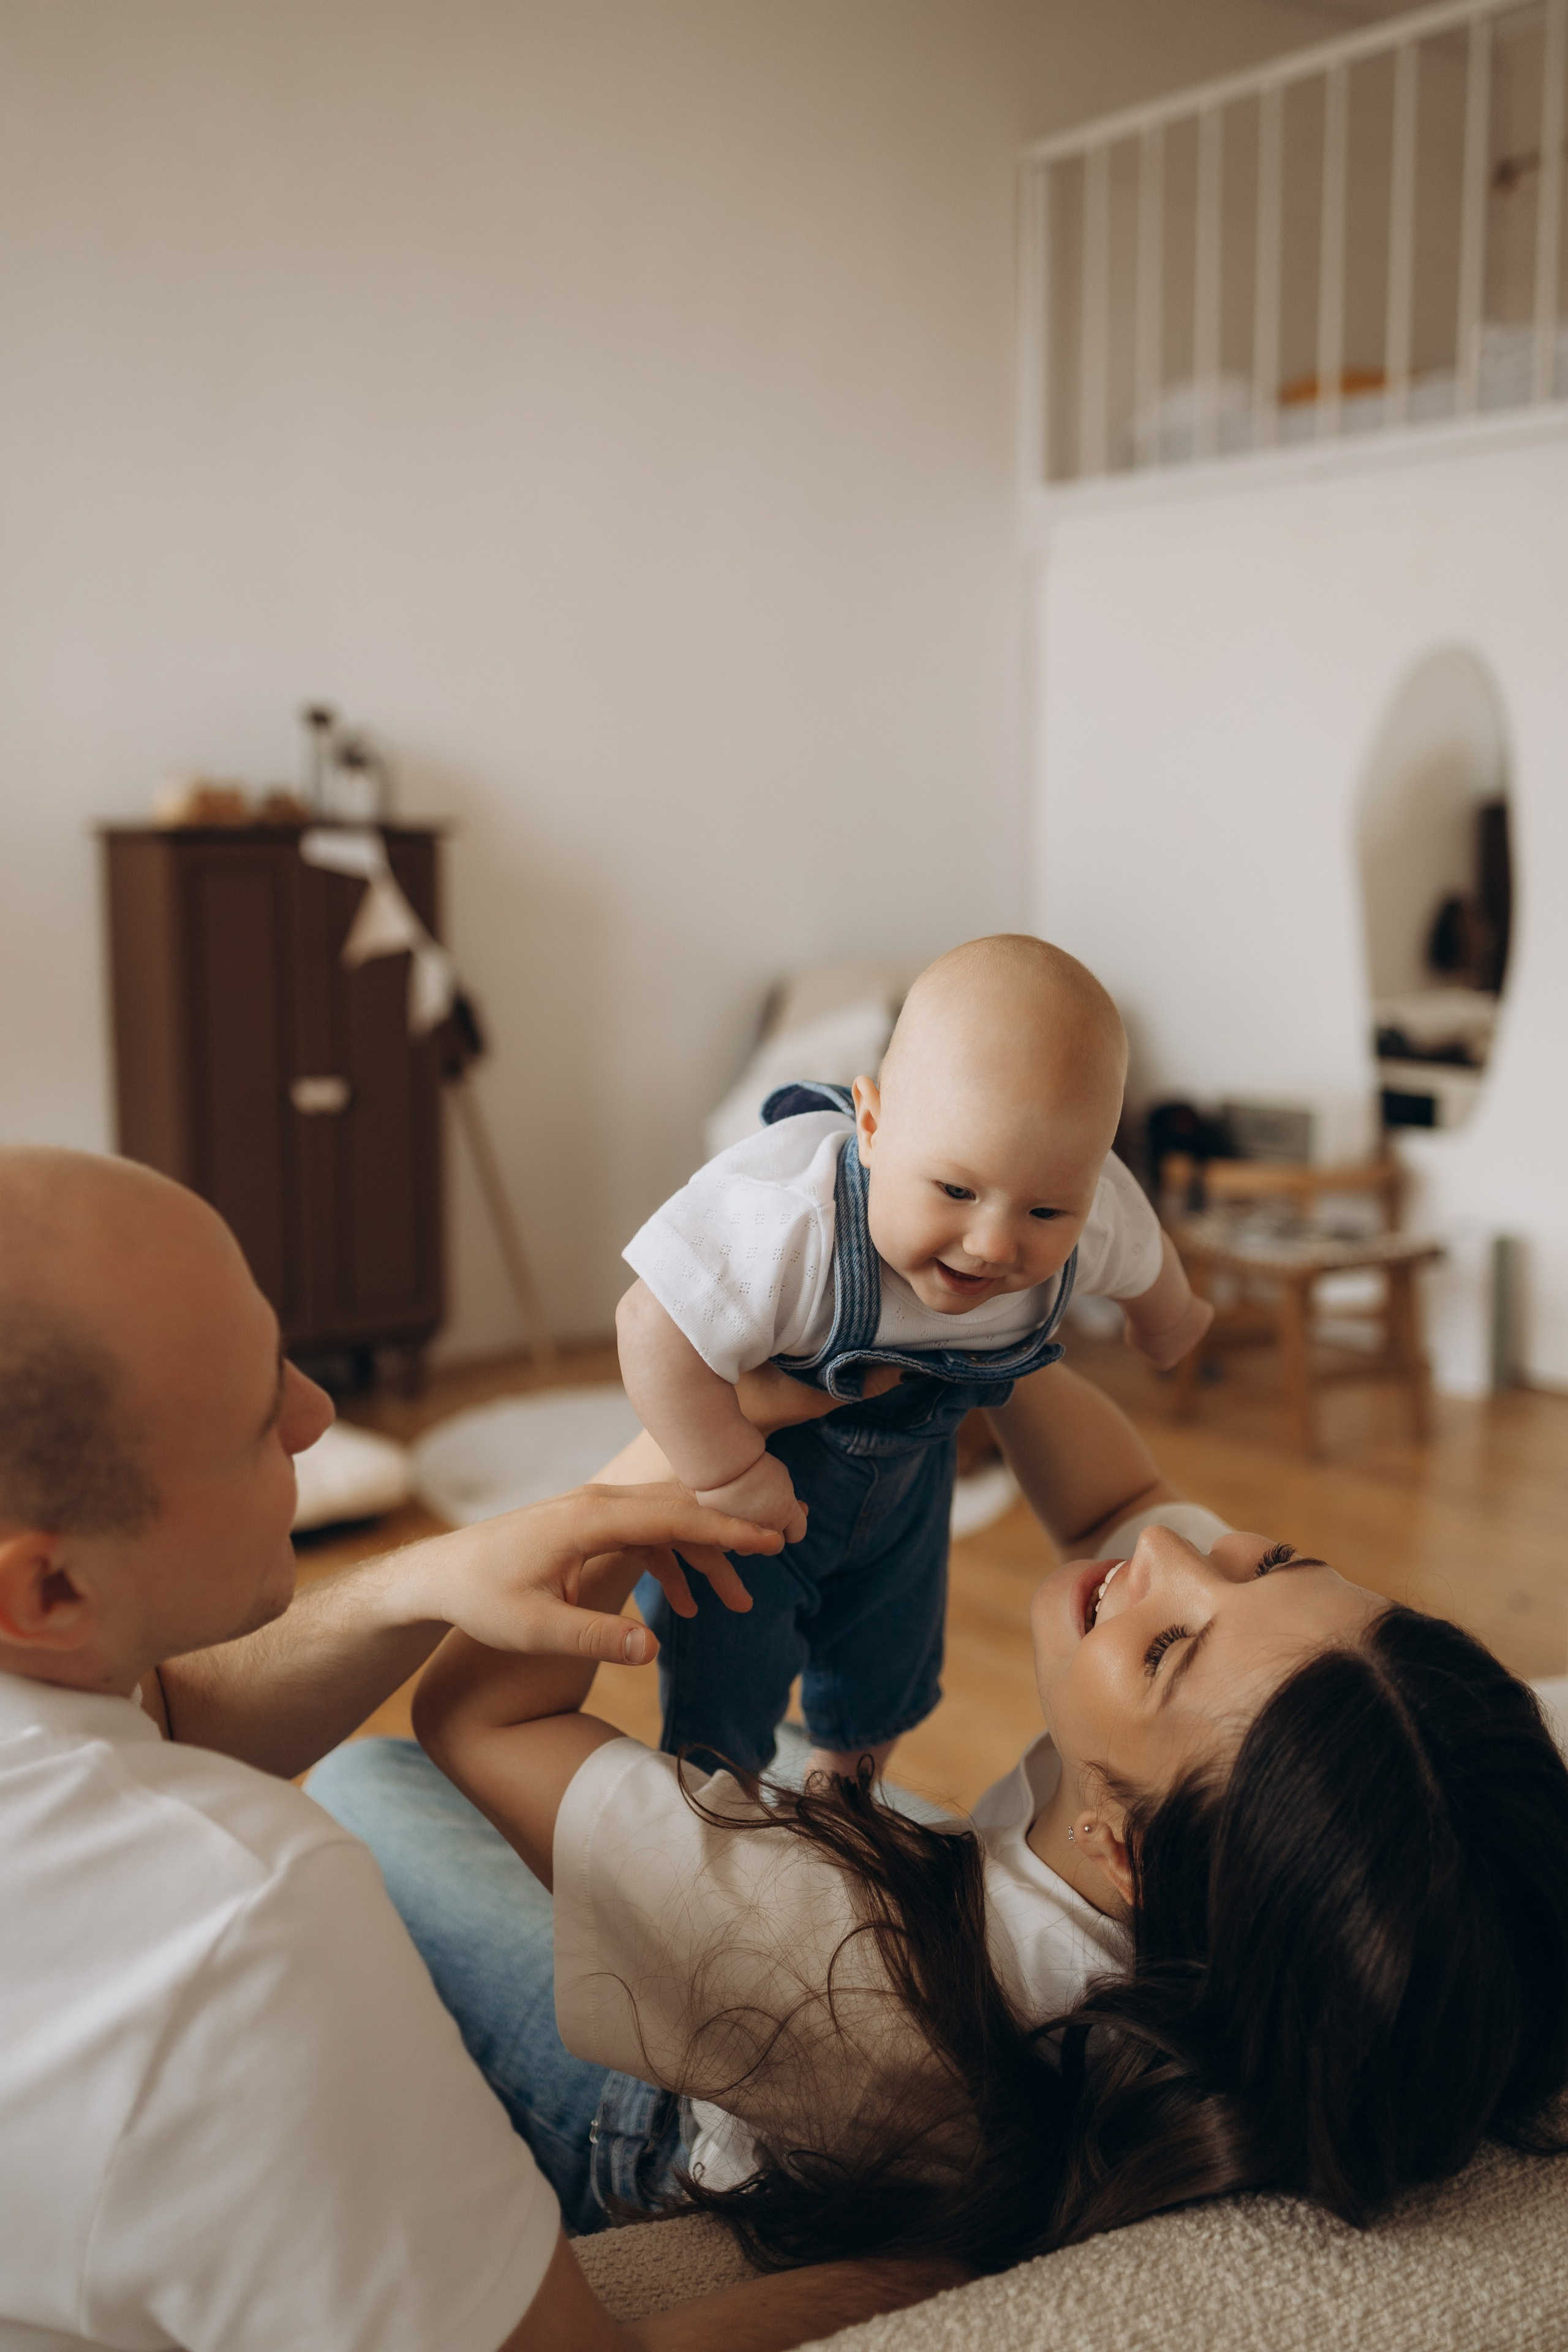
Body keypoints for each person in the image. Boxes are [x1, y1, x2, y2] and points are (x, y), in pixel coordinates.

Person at [0, 1147, 959, 2352]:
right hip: (750, 2132)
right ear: (48, 1591)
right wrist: (970, 2252)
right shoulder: (233, 1921)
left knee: (373, 1776)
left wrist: (431, 1575)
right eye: (253, 1420)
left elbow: (151, 1714)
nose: (316, 1413)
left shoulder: (55, 1688)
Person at [314, 1363, 1568, 2283]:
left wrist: (698, 1434)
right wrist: (990, 1329)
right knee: (789, 1754)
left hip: (676, 2108)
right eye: (1271, 1563)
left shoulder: (854, 1965)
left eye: (1167, 1649)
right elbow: (1124, 1494)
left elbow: (482, 1719)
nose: (1171, 1558)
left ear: (1125, 1852)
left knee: (365, 1785)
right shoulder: (1296, 1865)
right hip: (917, 1928)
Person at [616, 934, 1213, 1777]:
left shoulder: (1092, 1208)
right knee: (726, 1682)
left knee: (887, 1671)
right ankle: (716, 1804)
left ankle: (845, 1801)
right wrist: (725, 1470)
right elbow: (649, 1321)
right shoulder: (796, 1220)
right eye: (956, 1191)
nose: (993, 1243)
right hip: (757, 1494)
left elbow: (1146, 1260)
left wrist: (1168, 1320)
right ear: (872, 1125)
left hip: (908, 1499)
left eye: (1046, 1212)